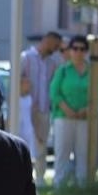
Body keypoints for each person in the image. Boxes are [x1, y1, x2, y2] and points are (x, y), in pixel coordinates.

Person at [49, 34, 98, 186]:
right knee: (62, 152)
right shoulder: (63, 70)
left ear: (86, 51)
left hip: (84, 118)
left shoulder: (93, 72)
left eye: (82, 49)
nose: (78, 52)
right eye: (75, 48)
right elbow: (54, 92)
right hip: (64, 117)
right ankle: (59, 185)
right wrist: (67, 109)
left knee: (83, 153)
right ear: (70, 51)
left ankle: (82, 185)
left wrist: (87, 109)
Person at [19, 30, 63, 185]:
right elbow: (16, 81)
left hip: (44, 109)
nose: (56, 48)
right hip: (27, 109)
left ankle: (40, 178)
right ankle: (23, 177)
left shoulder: (53, 63)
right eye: (55, 45)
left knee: (41, 144)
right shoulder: (26, 58)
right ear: (47, 40)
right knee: (25, 142)